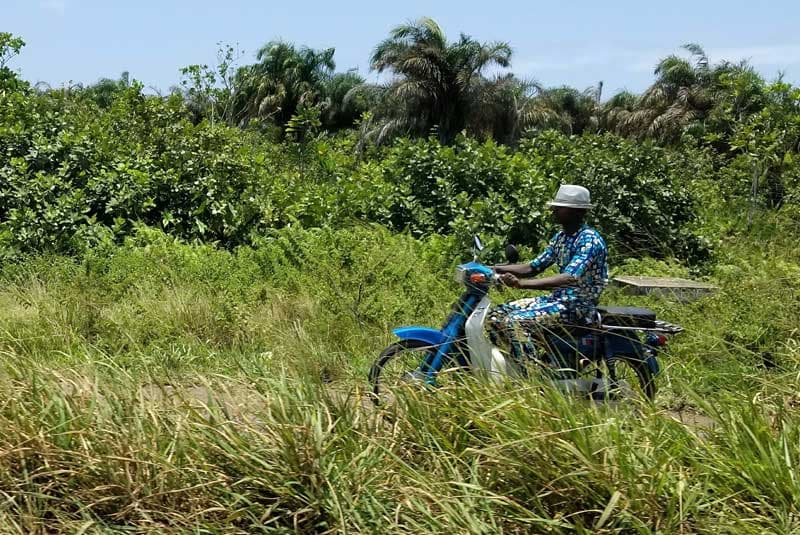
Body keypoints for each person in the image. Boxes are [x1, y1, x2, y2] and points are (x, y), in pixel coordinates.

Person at [489, 184, 608, 359]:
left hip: (577, 306)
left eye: (560, 208)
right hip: (557, 300)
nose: (553, 210)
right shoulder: (561, 237)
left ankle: (528, 373)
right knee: (495, 315)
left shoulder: (589, 241)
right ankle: (513, 360)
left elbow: (569, 278)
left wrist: (521, 284)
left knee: (515, 321)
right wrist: (494, 268)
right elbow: (532, 267)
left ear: (577, 212)